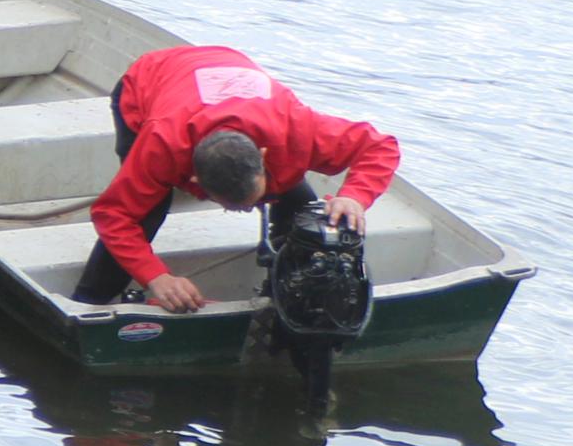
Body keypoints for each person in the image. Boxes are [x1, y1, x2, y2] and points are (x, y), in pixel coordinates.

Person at [77, 45, 399, 311]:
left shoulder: (298, 128)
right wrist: (156, 277)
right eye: (237, 207)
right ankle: (89, 301)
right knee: (145, 210)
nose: (250, 210)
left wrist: (354, 195)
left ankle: (288, 291)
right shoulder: (162, 145)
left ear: (262, 155)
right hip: (149, 80)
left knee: (303, 207)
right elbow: (113, 214)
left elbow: (380, 145)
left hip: (229, 77)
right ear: (193, 180)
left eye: (255, 200)